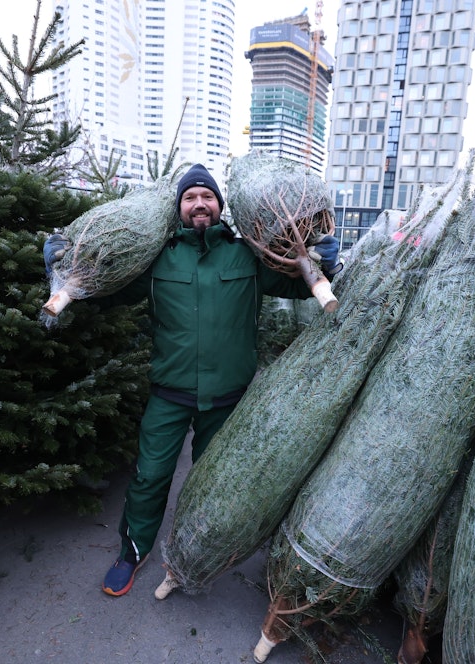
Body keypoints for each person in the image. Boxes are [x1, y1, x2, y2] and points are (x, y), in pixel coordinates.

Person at [44, 163, 342, 597]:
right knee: (149, 477)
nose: (199, 204)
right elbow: (102, 295)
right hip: (170, 393)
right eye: (190, 198)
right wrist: (62, 268)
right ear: (179, 207)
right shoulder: (155, 259)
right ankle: (132, 551)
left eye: (207, 197)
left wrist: (326, 262)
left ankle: (194, 555)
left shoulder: (247, 256)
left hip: (227, 398)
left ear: (220, 205)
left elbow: (299, 287)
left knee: (213, 484)